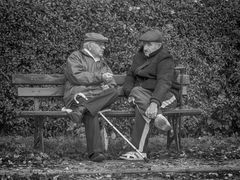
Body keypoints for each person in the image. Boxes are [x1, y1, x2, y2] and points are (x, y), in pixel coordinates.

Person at [120, 29, 180, 160]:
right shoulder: (139, 56)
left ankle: (139, 151)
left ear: (158, 45)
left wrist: (154, 103)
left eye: (149, 44)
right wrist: (129, 92)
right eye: (144, 44)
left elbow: (164, 82)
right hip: (141, 94)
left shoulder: (165, 58)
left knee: (144, 110)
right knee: (138, 96)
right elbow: (130, 76)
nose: (145, 47)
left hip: (166, 96)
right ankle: (157, 115)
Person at [63, 32, 118, 162]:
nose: (103, 47)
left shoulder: (103, 63)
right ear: (90, 45)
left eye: (104, 45)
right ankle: (95, 153)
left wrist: (109, 86)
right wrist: (100, 78)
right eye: (100, 45)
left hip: (93, 99)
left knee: (114, 93)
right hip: (79, 96)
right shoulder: (75, 57)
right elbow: (76, 76)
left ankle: (82, 109)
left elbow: (112, 82)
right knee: (91, 111)